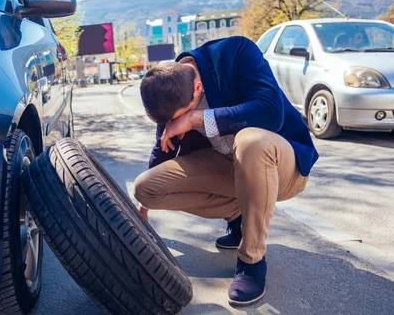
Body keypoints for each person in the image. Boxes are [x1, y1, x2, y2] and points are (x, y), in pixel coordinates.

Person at [134, 36, 319, 306]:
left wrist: (197, 118)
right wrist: (142, 207)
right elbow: (163, 147)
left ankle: (251, 260)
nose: (177, 123)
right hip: (228, 168)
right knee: (146, 188)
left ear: (198, 87)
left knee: (251, 141)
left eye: (181, 115)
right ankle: (237, 213)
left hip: (283, 167)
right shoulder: (170, 84)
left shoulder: (235, 52)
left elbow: (271, 111)